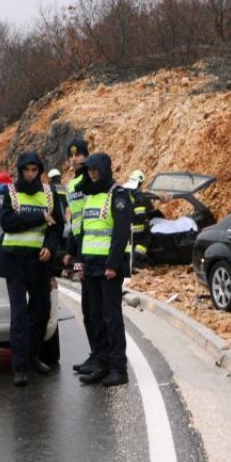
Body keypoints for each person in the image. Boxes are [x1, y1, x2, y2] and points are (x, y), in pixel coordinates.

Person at [0, 153, 64, 387]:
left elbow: (57, 226)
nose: (31, 174)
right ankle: (20, 367)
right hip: (14, 261)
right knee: (19, 316)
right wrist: (40, 217)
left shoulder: (49, 193)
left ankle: (32, 356)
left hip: (39, 261)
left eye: (35, 170)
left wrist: (50, 247)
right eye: (27, 170)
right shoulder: (8, 193)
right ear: (20, 170)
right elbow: (8, 223)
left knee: (41, 313)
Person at [77, 153, 133, 387]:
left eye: (95, 170)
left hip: (108, 268)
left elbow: (120, 234)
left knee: (112, 318)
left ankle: (118, 368)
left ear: (104, 170)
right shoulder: (91, 196)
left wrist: (112, 265)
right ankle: (101, 363)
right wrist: (80, 261)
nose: (91, 174)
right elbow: (86, 232)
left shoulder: (117, 195)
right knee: (96, 317)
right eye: (89, 170)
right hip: (90, 266)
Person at [63, 139, 96, 375]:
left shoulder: (90, 180)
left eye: (79, 155)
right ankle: (94, 353)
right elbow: (74, 220)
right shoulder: (70, 185)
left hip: (92, 243)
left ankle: (100, 355)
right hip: (79, 244)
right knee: (87, 307)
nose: (75, 159)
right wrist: (71, 253)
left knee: (95, 307)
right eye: (72, 156)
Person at [125, 170, 155, 267]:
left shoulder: (122, 190)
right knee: (146, 237)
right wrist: (146, 221)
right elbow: (140, 211)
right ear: (139, 182)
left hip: (123, 226)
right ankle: (137, 260)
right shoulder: (137, 194)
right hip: (135, 226)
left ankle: (129, 261)